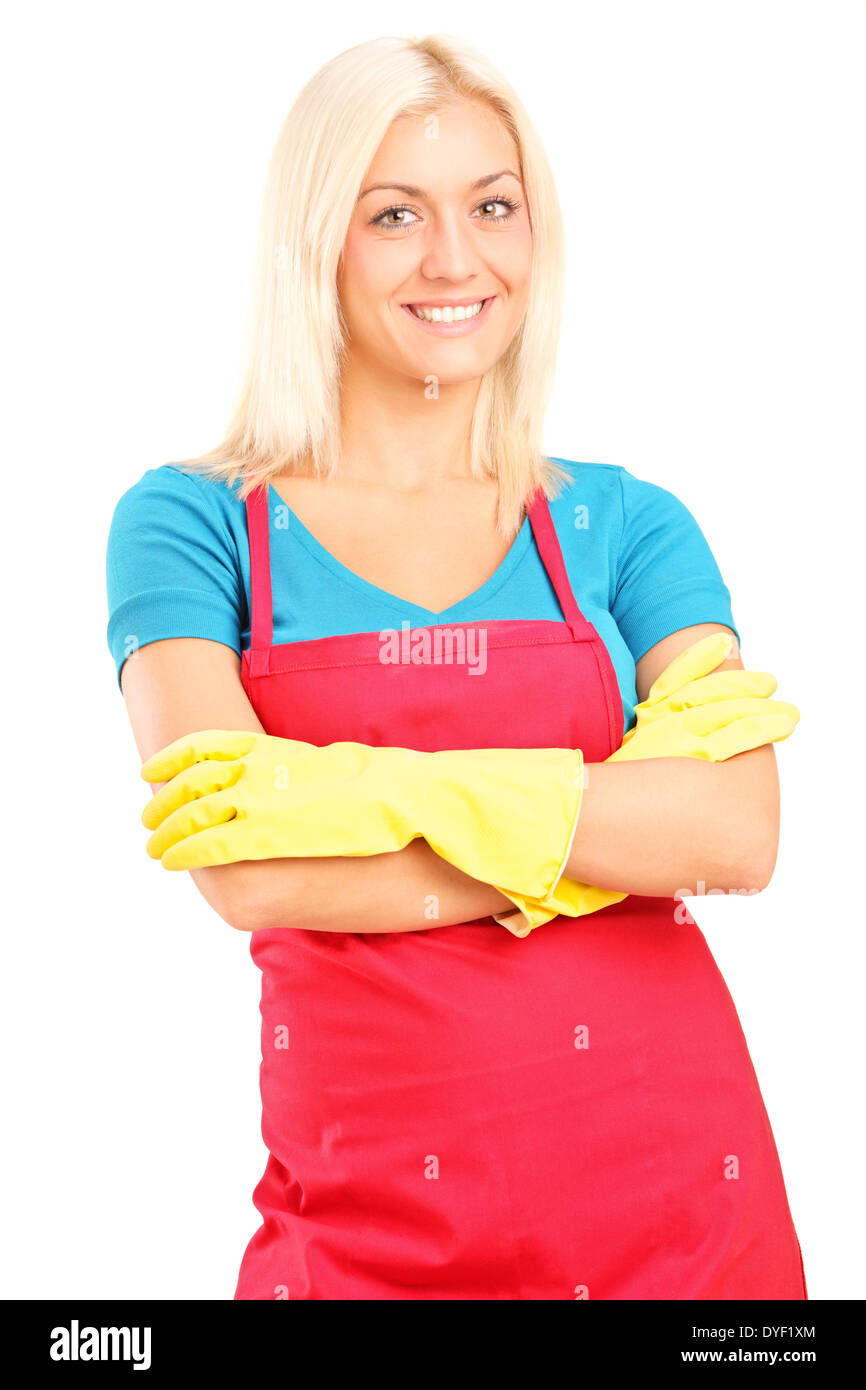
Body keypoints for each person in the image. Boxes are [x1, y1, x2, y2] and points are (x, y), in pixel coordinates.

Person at [105, 33, 807, 1300]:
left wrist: (369, 793)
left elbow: (731, 828)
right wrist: (593, 826)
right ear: (314, 239)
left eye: (492, 206)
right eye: (393, 214)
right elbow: (251, 862)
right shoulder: (194, 525)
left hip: (677, 1213)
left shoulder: (623, 525)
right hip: (365, 1231)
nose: (454, 260)